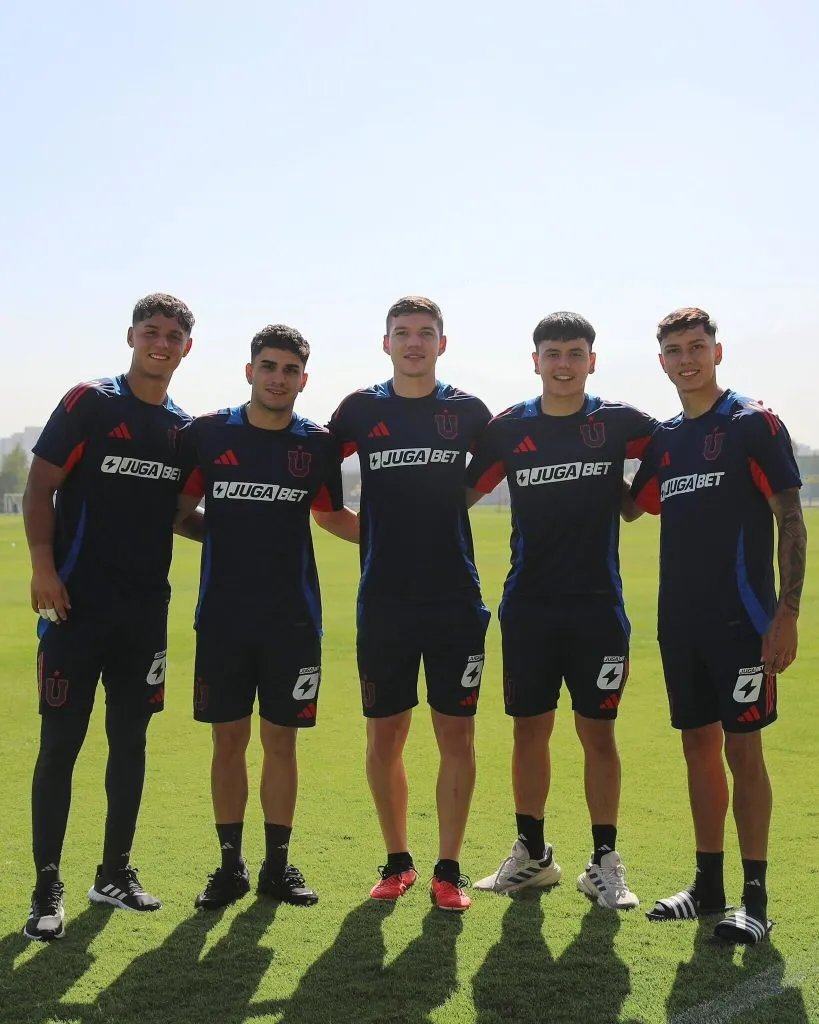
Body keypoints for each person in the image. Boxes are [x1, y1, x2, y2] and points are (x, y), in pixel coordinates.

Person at [465, 312, 657, 909]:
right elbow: (462, 495)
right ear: (536, 361)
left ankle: (604, 863)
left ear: (592, 360)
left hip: (599, 607)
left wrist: (632, 498)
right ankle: (533, 854)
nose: (564, 363)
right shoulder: (508, 429)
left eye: (576, 352)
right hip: (528, 607)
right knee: (530, 730)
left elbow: (675, 447)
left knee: (598, 733)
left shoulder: (621, 422)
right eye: (553, 353)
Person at [22, 293, 194, 941]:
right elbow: (41, 485)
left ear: (186, 349)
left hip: (144, 616)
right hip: (75, 610)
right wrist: (43, 565)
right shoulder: (90, 402)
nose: (162, 341)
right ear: (131, 336)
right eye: (152, 330)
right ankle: (46, 884)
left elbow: (179, 516)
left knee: (131, 743)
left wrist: (249, 526)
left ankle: (113, 873)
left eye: (173, 334)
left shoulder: (183, 429)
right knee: (60, 747)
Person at [630, 307, 806, 944]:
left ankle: (755, 898)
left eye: (696, 346)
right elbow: (629, 506)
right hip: (679, 624)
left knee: (744, 752)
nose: (686, 359)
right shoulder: (667, 439)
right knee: (696, 748)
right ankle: (708, 886)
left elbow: (789, 517)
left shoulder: (752, 423)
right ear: (661, 362)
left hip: (744, 624)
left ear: (717, 351)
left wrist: (787, 613)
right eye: (674, 350)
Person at [314, 296, 492, 911]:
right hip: (384, 602)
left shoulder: (468, 412)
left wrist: (435, 516)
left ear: (442, 343)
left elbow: (489, 475)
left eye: (425, 333)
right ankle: (397, 861)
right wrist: (381, 531)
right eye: (402, 333)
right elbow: (322, 498)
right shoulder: (359, 410)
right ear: (384, 343)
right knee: (384, 734)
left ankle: (449, 868)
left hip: (454, 600)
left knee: (457, 734)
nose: (413, 342)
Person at [176, 324, 353, 910]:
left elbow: (331, 515)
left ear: (304, 378)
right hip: (224, 619)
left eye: (290, 369)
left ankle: (278, 868)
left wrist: (402, 536)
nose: (279, 378)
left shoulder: (318, 445)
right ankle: (230, 869)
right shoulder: (206, 435)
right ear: (249, 371)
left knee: (282, 745)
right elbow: (178, 511)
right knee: (228, 743)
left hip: (293, 621)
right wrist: (225, 538)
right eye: (269, 367)